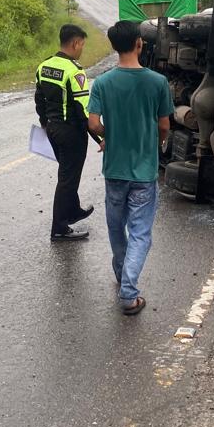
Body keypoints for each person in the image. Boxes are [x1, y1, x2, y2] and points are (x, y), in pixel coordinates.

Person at [87, 20, 173, 315]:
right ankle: (128, 291)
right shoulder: (157, 82)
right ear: (139, 43)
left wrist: (108, 138)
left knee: (116, 227)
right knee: (140, 232)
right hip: (144, 171)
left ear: (113, 46)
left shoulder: (102, 83)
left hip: (114, 170)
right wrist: (157, 143)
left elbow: (94, 123)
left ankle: (122, 274)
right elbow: (164, 126)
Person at [34, 24, 103, 241]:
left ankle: (73, 211)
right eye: (82, 44)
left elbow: (39, 99)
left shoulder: (43, 66)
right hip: (71, 133)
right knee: (67, 179)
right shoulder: (75, 71)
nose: (82, 48)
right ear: (75, 43)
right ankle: (59, 228)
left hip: (53, 129)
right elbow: (83, 113)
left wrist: (45, 124)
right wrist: (101, 137)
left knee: (68, 173)